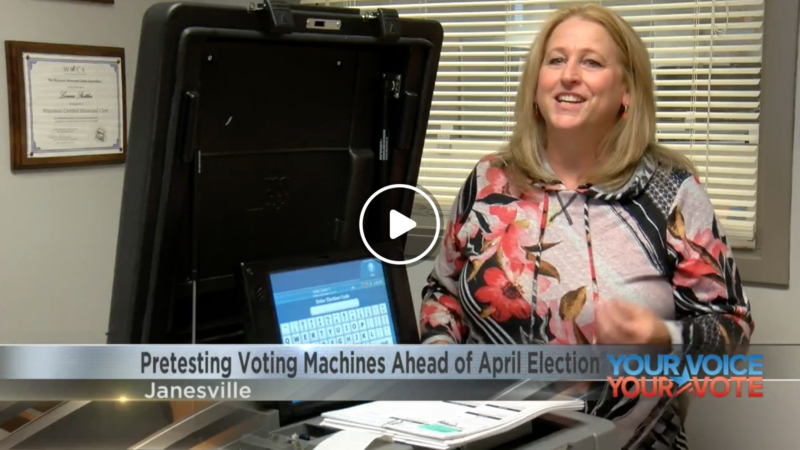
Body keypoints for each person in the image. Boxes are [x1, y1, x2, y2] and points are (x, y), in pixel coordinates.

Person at [418, 4, 753, 449]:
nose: (569, 75)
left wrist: (661, 338)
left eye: (591, 62)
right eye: (555, 60)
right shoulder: (489, 180)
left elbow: (734, 331)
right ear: (536, 85)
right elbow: (443, 292)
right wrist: (440, 352)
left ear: (626, 93)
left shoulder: (672, 194)